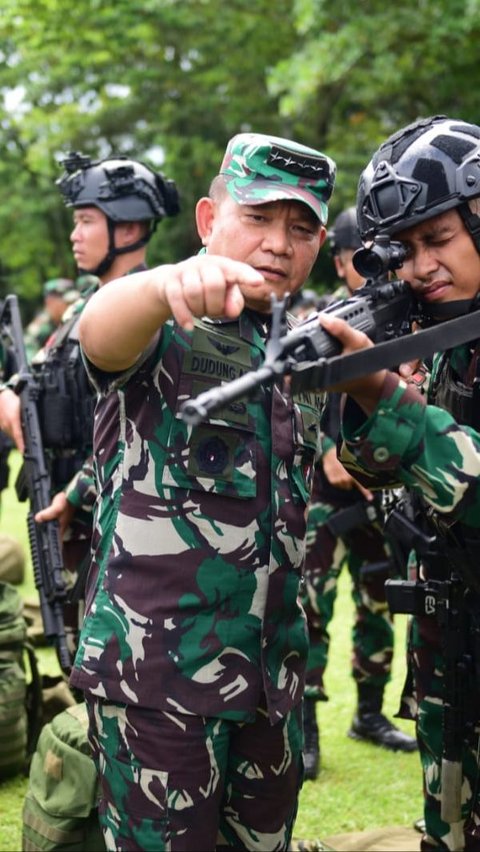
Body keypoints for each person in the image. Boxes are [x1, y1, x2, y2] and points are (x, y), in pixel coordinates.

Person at [72, 132, 336, 851]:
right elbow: (99, 336)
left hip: (271, 680)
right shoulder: (165, 316)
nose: (279, 243)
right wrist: (160, 286)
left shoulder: (297, 348)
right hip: (160, 684)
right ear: (207, 219)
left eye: (301, 227)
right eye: (257, 217)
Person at [317, 115, 480, 850]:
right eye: (404, 250)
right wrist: (363, 394)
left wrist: (390, 400)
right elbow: (376, 474)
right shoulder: (449, 337)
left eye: (437, 239)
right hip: (453, 664)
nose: (419, 268)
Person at [0, 152, 180, 664]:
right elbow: (34, 378)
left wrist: (75, 493)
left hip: (111, 521)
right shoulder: (83, 308)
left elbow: (137, 429)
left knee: (104, 663)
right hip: (69, 515)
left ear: (129, 228)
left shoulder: (143, 316)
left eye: (85, 221)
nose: (74, 235)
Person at [300, 208, 417, 781]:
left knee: (377, 603)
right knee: (312, 610)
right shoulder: (323, 318)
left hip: (382, 500)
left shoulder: (408, 316)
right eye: (354, 257)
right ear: (342, 260)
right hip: (328, 498)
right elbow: (301, 391)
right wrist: (325, 444)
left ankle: (368, 714)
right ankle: (303, 729)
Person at [23, 277, 79, 362]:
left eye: (73, 302)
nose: (72, 306)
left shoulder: (74, 317)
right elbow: (27, 350)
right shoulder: (42, 325)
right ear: (49, 302)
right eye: (67, 302)